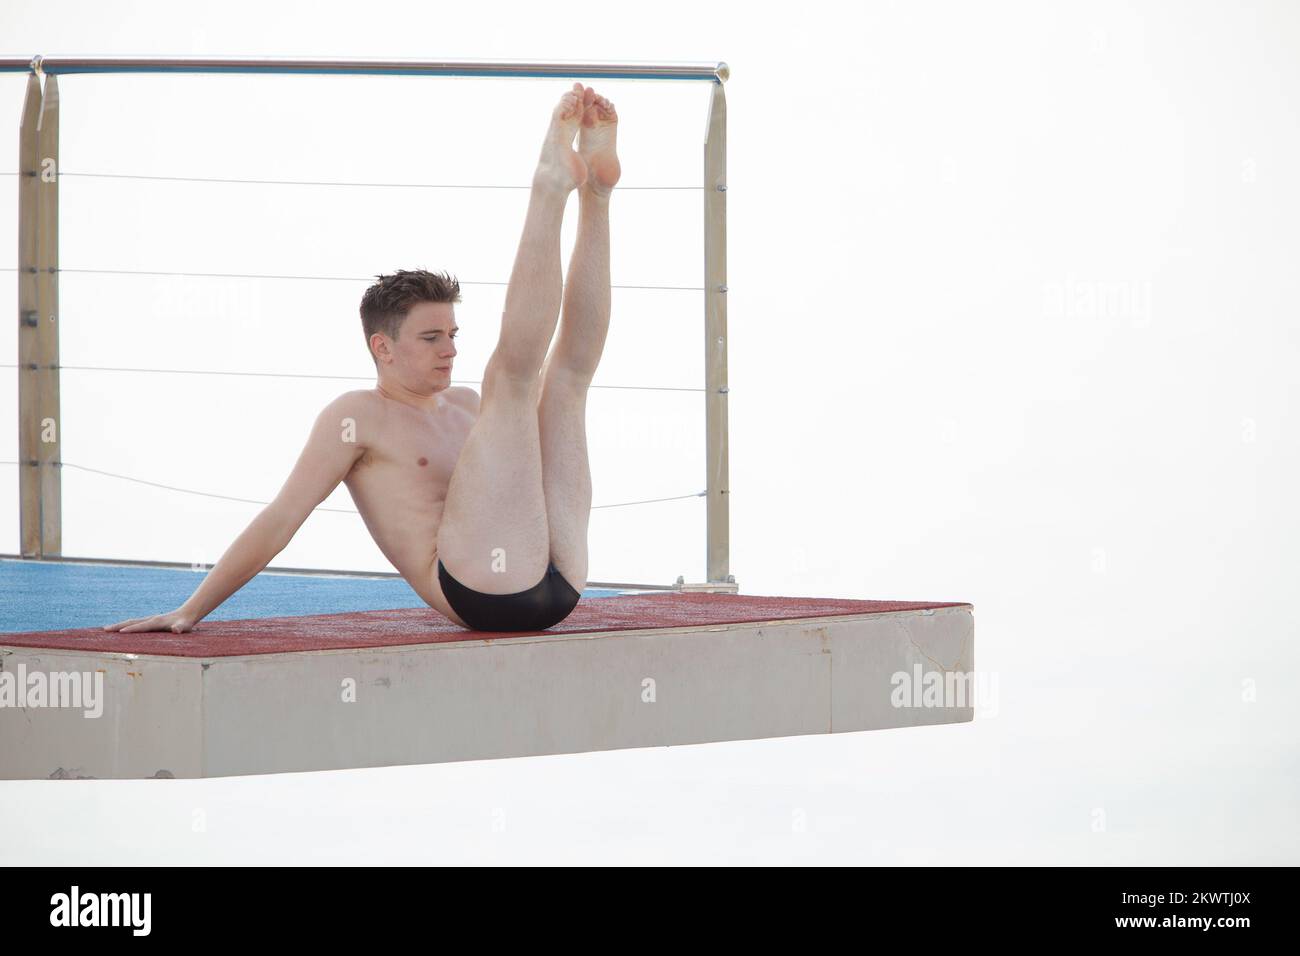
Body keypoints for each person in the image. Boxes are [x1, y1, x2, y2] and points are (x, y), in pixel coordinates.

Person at [104, 83, 620, 634]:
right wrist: (191, 608)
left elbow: (557, 384)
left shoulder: (466, 406)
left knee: (566, 382)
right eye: (430, 338)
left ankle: (598, 197)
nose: (450, 349)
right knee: (511, 381)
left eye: (452, 332)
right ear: (383, 347)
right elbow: (282, 518)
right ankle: (549, 188)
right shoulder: (356, 419)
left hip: (561, 583)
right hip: (484, 593)